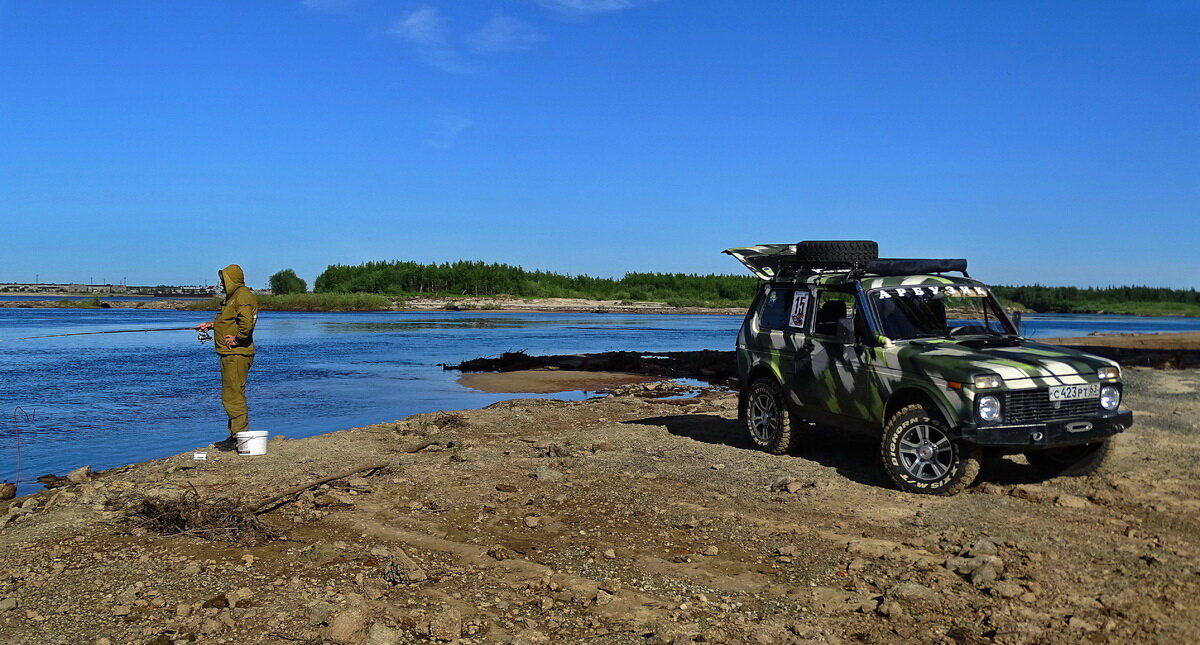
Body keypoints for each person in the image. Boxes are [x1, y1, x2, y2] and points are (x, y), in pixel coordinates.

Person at [196, 264, 258, 450]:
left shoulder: (243, 295)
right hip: (229, 353)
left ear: (233, 279)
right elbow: (230, 320)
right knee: (230, 394)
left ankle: (240, 437)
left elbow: (247, 322)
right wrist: (212, 324)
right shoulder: (233, 297)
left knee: (233, 395)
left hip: (237, 354)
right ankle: (235, 435)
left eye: (224, 280)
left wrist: (238, 339)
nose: (222, 283)